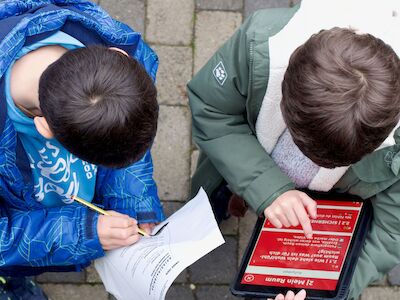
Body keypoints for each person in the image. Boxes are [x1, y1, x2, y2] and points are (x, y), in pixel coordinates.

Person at [188, 0, 400, 299]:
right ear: (284, 92)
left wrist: (330, 291)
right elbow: (212, 109)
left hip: (319, 224)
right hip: (232, 167)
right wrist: (268, 189)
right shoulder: (260, 42)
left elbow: (392, 232)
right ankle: (216, 206)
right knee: (214, 197)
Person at [0, 0, 164, 299]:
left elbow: (125, 142)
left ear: (118, 56)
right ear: (45, 129)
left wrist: (133, 200)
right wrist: (81, 233)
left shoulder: (115, 78)